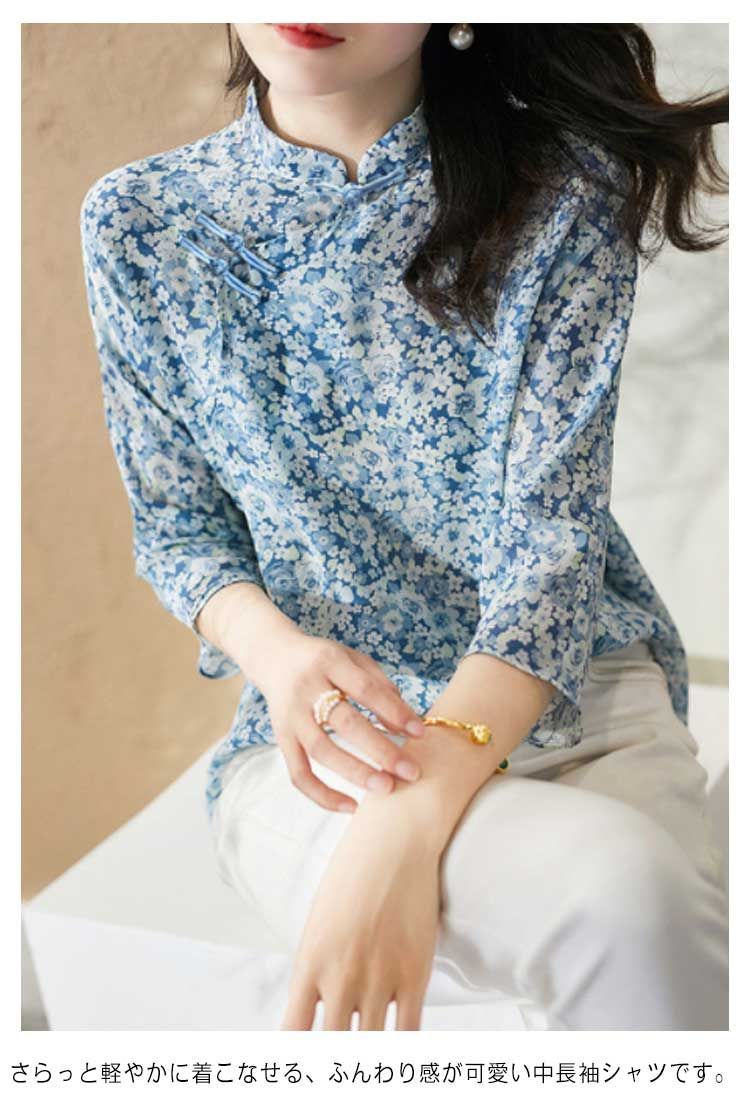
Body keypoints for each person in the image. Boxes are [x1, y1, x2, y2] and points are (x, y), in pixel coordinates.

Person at [80, 23, 729, 1031]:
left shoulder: (565, 189)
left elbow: (549, 546)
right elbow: (180, 528)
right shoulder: (142, 221)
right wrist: (284, 661)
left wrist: (414, 810)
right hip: (333, 746)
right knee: (620, 890)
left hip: (579, 709)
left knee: (642, 913)